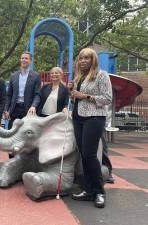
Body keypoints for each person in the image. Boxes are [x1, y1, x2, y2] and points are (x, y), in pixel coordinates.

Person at [70, 48, 112, 208]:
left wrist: (85, 96)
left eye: (87, 58)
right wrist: (72, 92)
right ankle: (88, 190)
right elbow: (76, 98)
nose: (83, 61)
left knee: (90, 155)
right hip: (78, 117)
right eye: (81, 58)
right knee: (84, 155)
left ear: (93, 59)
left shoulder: (102, 75)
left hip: (94, 118)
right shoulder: (79, 76)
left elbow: (108, 98)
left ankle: (99, 192)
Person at [4, 51, 41, 158]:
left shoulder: (35, 76)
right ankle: (11, 162)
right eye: (22, 58)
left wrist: (33, 106)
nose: (24, 60)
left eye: (26, 58)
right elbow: (9, 95)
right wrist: (6, 110)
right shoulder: (13, 76)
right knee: (12, 137)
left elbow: (37, 94)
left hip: (27, 110)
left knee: (26, 139)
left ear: (30, 61)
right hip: (14, 109)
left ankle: (24, 166)